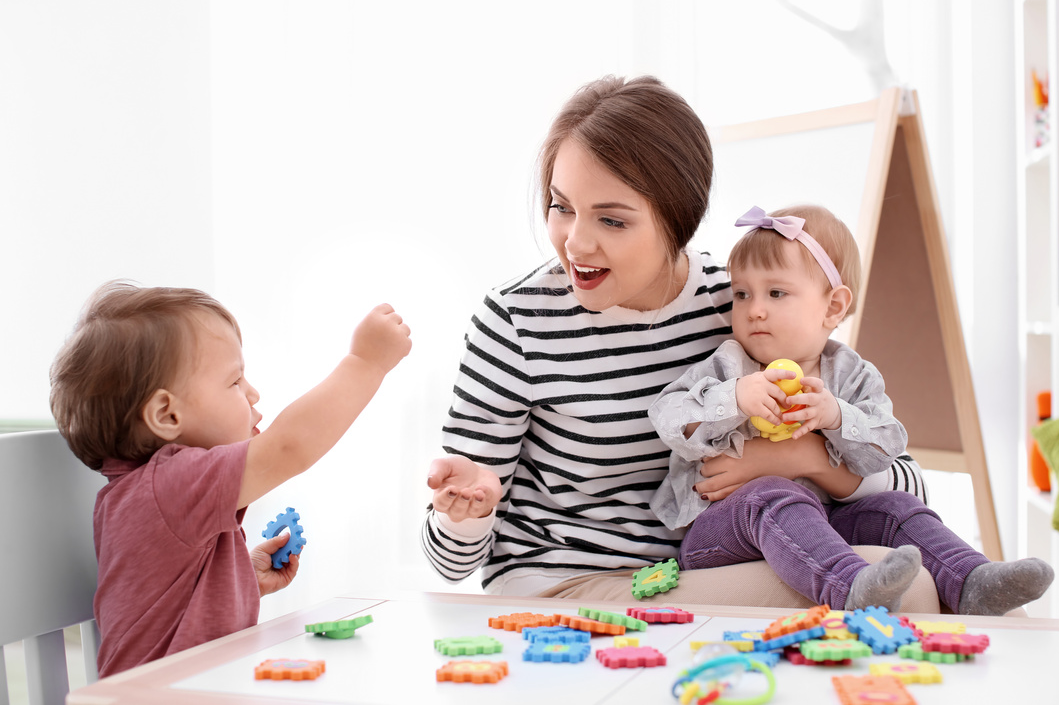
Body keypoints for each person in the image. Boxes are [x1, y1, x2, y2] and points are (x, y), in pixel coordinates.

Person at [420, 75, 942, 607]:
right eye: (561, 206)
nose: (575, 241)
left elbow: (908, 484)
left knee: (909, 577)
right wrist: (468, 512)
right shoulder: (516, 319)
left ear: (680, 221)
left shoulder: (742, 306)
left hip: (690, 571)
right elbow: (450, 563)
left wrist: (801, 460)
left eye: (611, 219)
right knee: (900, 591)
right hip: (562, 586)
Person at [648, 204, 1054, 615]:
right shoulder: (730, 364)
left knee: (899, 509)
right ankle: (849, 586)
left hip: (826, 525)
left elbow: (888, 447)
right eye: (741, 294)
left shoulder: (852, 374)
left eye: (776, 293)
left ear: (833, 307)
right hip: (722, 531)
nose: (754, 309)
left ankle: (972, 581)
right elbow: (667, 416)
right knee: (774, 495)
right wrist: (733, 397)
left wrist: (837, 417)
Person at [50, 281, 411, 675]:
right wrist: (365, 362)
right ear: (167, 415)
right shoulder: (168, 485)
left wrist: (239, 580)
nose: (253, 393)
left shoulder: (148, 495)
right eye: (235, 381)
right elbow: (290, 447)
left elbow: (165, 608)